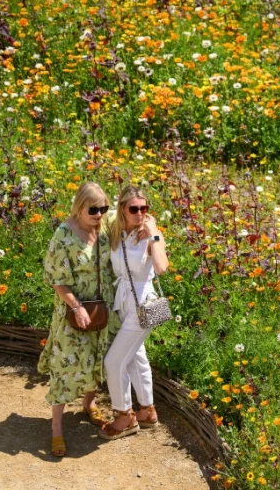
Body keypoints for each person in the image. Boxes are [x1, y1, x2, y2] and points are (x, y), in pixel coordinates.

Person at [37, 182, 118, 457]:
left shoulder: (104, 227)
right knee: (65, 364)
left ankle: (89, 404)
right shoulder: (63, 234)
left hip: (103, 309)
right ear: (79, 206)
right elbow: (56, 280)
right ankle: (56, 428)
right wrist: (76, 307)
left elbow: (138, 214)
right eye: (93, 210)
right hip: (75, 311)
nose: (99, 214)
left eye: (104, 209)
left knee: (98, 357)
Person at [99, 185, 169, 440]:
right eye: (134, 209)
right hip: (124, 301)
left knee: (114, 360)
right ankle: (148, 411)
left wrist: (154, 234)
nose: (140, 213)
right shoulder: (118, 233)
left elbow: (161, 267)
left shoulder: (150, 235)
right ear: (123, 210)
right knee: (135, 357)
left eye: (144, 208)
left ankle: (124, 415)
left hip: (143, 304)